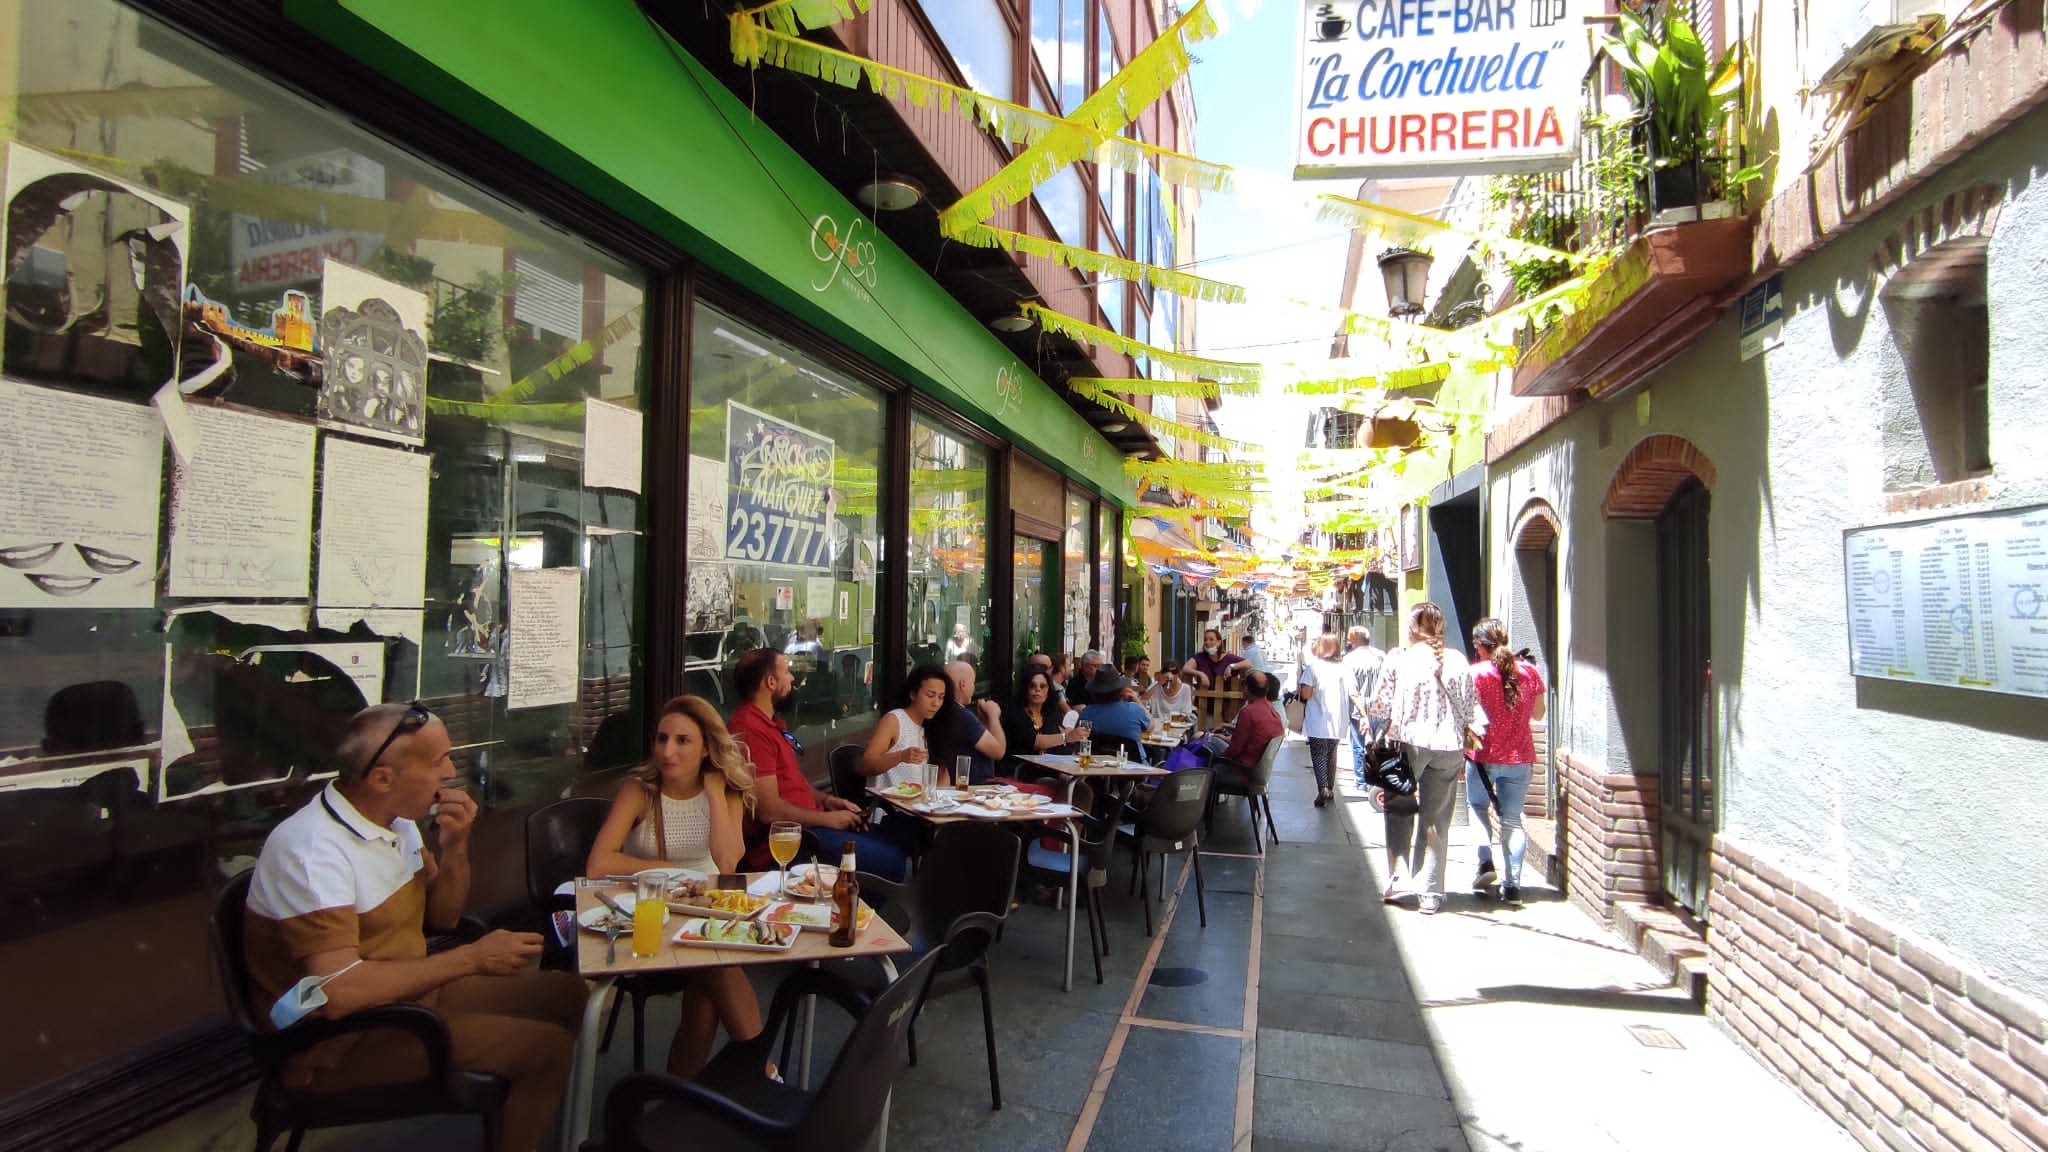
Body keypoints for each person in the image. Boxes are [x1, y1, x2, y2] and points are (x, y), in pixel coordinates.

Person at [241, 703, 586, 1152]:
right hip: (335, 1042)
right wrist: (471, 958)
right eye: (437, 761)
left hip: (404, 996)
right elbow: (338, 991)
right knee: (546, 1050)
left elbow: (440, 918)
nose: (450, 771)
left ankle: (512, 1115)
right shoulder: (312, 851)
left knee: (569, 994)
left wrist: (457, 846)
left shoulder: (396, 823)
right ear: (383, 778)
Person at [584, 695, 762, 1078]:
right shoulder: (639, 791)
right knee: (716, 963)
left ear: (705, 748)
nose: (668, 751)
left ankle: (680, 1095)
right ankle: (760, 1072)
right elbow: (599, 863)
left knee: (707, 985)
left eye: (683, 740)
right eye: (662, 738)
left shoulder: (726, 791)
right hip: (649, 919)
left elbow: (729, 863)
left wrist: (714, 793)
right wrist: (667, 869)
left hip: (703, 912)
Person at [731, 648, 908, 881]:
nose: (793, 678)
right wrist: (830, 819)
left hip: (814, 826)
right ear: (771, 682)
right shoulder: (750, 729)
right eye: (787, 672)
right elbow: (769, 811)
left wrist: (827, 800)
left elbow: (793, 785)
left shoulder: (770, 724)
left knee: (896, 840)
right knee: (892, 861)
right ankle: (853, 912)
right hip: (795, 842)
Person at [1369, 603, 1484, 915]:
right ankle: (1430, 891)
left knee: (1398, 810)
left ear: (1412, 627)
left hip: (1409, 742)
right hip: (1448, 746)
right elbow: (1472, 707)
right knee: (1437, 819)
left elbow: (1379, 705)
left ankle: (1399, 876)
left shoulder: (1401, 658)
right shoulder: (1458, 660)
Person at [1466, 618, 1545, 905]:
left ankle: (1485, 860)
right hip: (1520, 756)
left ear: (1480, 645)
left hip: (1483, 755)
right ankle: (1513, 885)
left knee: (1477, 807)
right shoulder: (1530, 671)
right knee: (1512, 820)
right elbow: (1538, 714)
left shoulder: (1476, 673)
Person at [1295, 632, 1350, 807]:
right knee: (1331, 753)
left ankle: (1323, 788)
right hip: (1338, 719)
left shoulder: (1314, 668)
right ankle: (1331, 788)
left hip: (1318, 719)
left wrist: (1302, 687)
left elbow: (1306, 694)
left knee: (1318, 753)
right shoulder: (1343, 668)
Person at [1211, 669, 1284, 788]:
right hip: (1257, 771)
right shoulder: (1272, 712)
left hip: (1242, 772)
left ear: (1246, 689)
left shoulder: (1248, 712)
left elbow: (1234, 750)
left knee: (1207, 748)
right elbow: (1254, 734)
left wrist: (1218, 756)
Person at [940, 659, 1007, 783]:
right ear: (963, 685)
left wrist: (984, 721)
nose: (974, 687)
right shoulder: (961, 715)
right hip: (972, 786)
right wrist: (994, 716)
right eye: (973, 682)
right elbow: (998, 751)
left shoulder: (943, 710)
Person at [1003, 667, 1086, 765]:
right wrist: (1066, 737)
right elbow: (1035, 742)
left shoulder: (1051, 712)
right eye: (1032, 686)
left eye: (1042, 686)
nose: (1037, 689)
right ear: (1025, 689)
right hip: (1021, 768)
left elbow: (1056, 739)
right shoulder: (1016, 712)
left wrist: (1065, 738)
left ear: (1048, 691)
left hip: (1051, 766)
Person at [1341, 625, 1386, 790]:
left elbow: (1353, 692)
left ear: (1354, 640)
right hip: (1381, 707)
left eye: (1349, 639)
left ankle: (1362, 782)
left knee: (1360, 746)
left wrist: (1363, 714)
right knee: (1379, 745)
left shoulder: (1349, 660)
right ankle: (1380, 779)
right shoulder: (1381, 656)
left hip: (1360, 710)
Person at [1076, 667, 1150, 757]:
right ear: (1120, 691)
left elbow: (1079, 739)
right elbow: (1151, 727)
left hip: (1096, 767)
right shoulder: (1134, 710)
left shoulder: (1086, 713)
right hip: (1133, 766)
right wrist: (1137, 700)